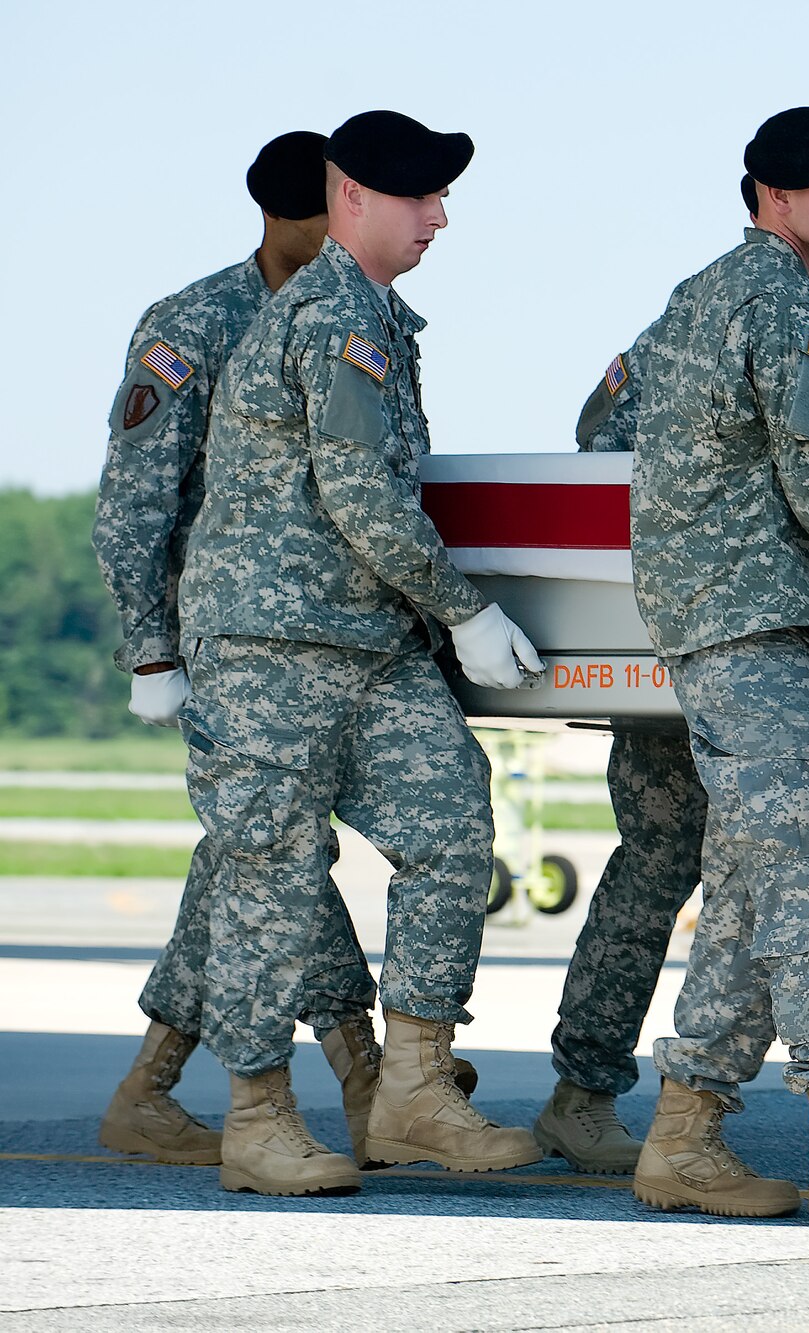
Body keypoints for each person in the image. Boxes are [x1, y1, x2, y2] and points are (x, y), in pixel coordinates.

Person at [531, 179, 809, 1175]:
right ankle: (624, 1091)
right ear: (776, 197)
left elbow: (601, 446)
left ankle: (651, 1104)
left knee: (747, 868)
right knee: (740, 858)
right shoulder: (800, 327)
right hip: (758, 637)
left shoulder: (674, 328)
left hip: (708, 637)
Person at [177, 110, 545, 1196]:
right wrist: (464, 608)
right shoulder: (335, 315)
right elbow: (358, 490)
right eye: (415, 196)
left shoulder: (375, 316)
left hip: (367, 642)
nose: (437, 215)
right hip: (270, 645)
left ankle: (414, 1087)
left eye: (440, 198)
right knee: (273, 880)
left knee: (450, 823)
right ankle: (255, 1117)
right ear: (349, 197)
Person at [91, 130, 452, 1171]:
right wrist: (152, 654)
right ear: (292, 215)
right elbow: (137, 499)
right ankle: (357, 1067)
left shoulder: (366, 317)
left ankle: (156, 1083)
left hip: (333, 632)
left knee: (251, 854)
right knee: (277, 854)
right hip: (231, 634)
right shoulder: (194, 324)